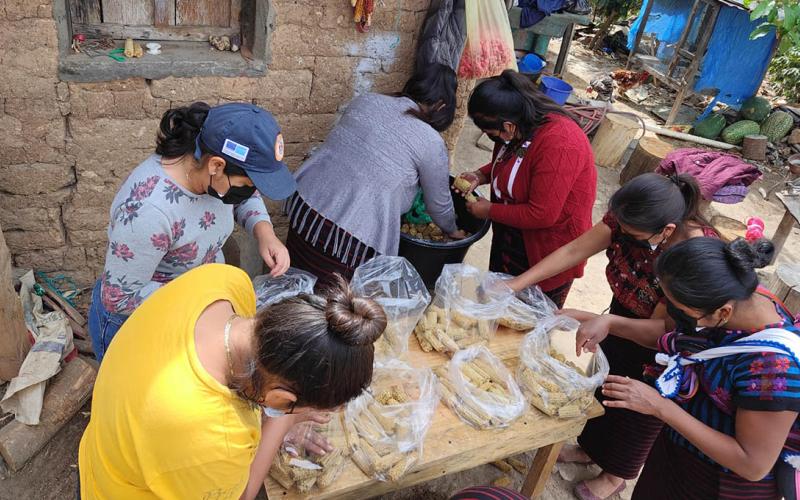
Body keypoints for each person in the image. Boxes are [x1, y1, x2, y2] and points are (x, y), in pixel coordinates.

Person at [78, 263, 386, 499]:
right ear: (280, 398)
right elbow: (243, 493)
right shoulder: (213, 437)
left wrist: (290, 410)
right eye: (289, 407)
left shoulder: (223, 282)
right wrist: (284, 423)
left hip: (108, 445)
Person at [506, 172, 717, 499]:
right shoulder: (632, 217)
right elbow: (575, 250)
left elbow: (661, 332)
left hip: (667, 345)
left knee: (637, 407)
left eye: (634, 236)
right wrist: (516, 284)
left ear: (667, 231)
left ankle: (616, 473)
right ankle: (591, 449)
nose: (625, 238)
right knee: (607, 382)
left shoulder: (692, 258)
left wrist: (595, 319)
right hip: (625, 314)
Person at [590, 237, 800, 499]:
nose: (671, 315)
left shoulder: (773, 370)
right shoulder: (740, 297)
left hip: (718, 483)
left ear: (722, 313)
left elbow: (752, 464)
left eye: (677, 309)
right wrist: (607, 322)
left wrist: (659, 406)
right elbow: (669, 331)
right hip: (677, 450)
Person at [88, 102, 296, 362]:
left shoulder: (206, 164)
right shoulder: (150, 212)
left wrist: (264, 232)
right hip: (138, 319)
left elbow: (242, 196)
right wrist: (204, 302)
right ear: (216, 166)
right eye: (246, 183)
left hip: (191, 303)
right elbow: (118, 298)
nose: (249, 190)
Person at [286, 63, 466, 284]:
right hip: (347, 235)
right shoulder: (431, 141)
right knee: (329, 303)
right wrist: (452, 229)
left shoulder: (366, 100)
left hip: (305, 208)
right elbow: (438, 203)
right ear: (442, 105)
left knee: (295, 283)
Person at [454, 70, 596, 308]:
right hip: (512, 240)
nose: (493, 141)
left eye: (491, 134)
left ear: (509, 126)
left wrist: (489, 210)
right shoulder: (521, 127)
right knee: (495, 306)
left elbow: (541, 214)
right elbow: (515, 162)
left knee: (526, 321)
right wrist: (481, 175)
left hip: (547, 253)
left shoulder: (561, 143)